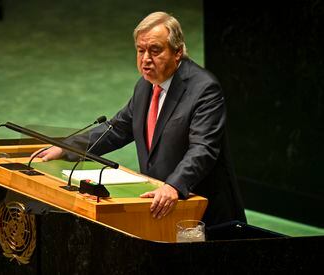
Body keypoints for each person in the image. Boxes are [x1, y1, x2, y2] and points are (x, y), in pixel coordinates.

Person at [34, 11, 246, 227]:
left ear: (178, 52)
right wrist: (67, 147)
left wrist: (174, 185)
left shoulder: (203, 89)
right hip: (158, 208)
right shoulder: (145, 86)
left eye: (155, 51)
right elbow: (116, 129)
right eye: (140, 50)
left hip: (203, 215)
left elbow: (202, 149)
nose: (145, 59)